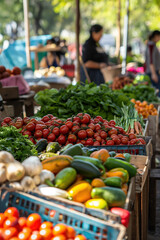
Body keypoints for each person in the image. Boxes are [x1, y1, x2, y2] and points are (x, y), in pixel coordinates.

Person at [145, 30, 160, 96]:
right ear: (155, 36)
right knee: (156, 92)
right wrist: (154, 74)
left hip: (153, 71)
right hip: (152, 72)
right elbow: (151, 61)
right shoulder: (151, 45)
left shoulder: (152, 45)